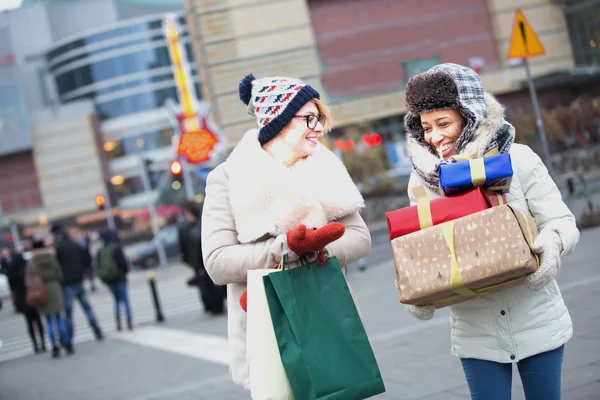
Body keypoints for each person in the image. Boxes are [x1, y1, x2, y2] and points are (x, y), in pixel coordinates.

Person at [402, 63, 580, 400]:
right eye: (426, 127)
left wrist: (553, 244)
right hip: (475, 330)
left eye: (443, 123)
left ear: (470, 117)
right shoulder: (423, 181)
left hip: (537, 319)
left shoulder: (520, 158)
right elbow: (423, 248)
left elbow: (562, 220)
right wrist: (420, 289)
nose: (435, 137)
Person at [201, 73, 371, 390]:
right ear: (278, 121)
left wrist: (316, 249)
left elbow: (359, 238)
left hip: (328, 313)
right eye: (308, 118)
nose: (319, 127)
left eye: (320, 118)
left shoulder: (324, 165)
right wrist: (285, 249)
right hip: (269, 328)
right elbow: (217, 261)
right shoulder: (228, 177)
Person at [52, 224, 103, 341]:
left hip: (67, 284)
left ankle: (68, 338)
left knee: (68, 313)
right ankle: (97, 330)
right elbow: (86, 259)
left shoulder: (58, 250)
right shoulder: (74, 245)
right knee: (87, 308)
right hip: (78, 280)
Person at [26, 238, 73, 358]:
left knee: (48, 321)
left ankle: (55, 346)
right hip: (54, 288)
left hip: (41, 291)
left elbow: (29, 279)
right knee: (59, 318)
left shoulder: (33, 261)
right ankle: (67, 343)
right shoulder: (52, 257)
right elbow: (59, 274)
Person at [178, 201, 225, 315]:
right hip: (205, 261)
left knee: (208, 287)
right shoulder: (200, 226)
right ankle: (215, 305)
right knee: (211, 285)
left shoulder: (191, 229)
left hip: (202, 262)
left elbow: (188, 249)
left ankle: (214, 306)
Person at [2, 247, 46, 353]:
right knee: (38, 320)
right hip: (33, 295)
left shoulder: (12, 270)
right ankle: (43, 342)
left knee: (29, 322)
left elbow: (12, 286)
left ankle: (35, 344)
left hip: (23, 299)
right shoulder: (27, 267)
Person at [97, 229, 133, 331]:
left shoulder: (101, 250)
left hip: (110, 280)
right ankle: (129, 320)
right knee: (125, 300)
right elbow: (123, 263)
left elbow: (99, 266)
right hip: (120, 278)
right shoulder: (116, 248)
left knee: (116, 301)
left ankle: (118, 322)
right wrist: (125, 271)